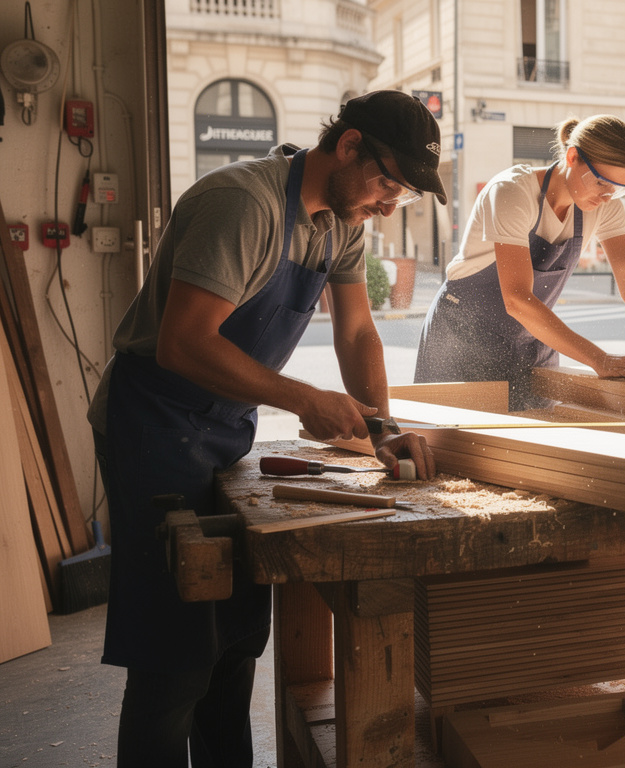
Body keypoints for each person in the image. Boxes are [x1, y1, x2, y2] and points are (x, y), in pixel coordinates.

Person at [86, 89, 439, 767]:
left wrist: (382, 425)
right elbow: (183, 344)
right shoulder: (243, 204)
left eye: (402, 194)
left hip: (225, 425)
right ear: (349, 146)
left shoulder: (341, 222)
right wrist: (305, 400)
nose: (389, 205)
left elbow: (357, 331)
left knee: (235, 644)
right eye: (387, 183)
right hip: (155, 423)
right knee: (174, 656)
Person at [414, 114, 625, 409]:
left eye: (618, 188)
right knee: (458, 433)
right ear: (572, 157)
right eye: (601, 182)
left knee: (537, 433)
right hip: (463, 338)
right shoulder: (512, 192)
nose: (607, 196)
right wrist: (599, 359)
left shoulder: (604, 206)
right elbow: (517, 299)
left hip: (529, 341)